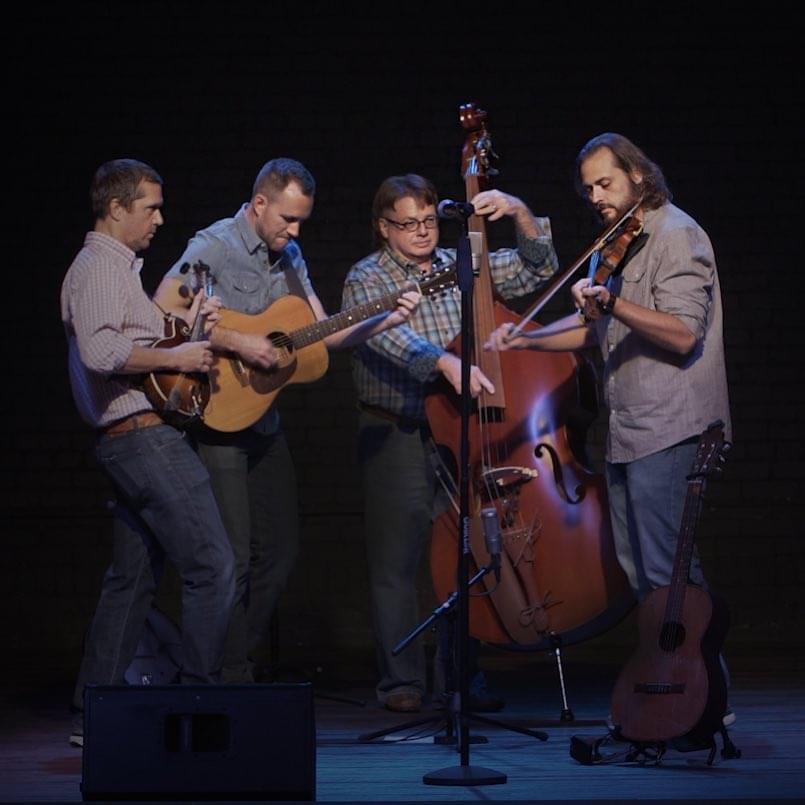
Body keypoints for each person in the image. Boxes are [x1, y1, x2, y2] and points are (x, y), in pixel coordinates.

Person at [154, 158, 418, 683]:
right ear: (259, 205)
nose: (294, 232)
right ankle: (224, 678)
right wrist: (239, 341)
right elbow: (162, 309)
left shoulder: (290, 255)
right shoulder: (215, 245)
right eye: (287, 220)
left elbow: (323, 333)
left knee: (281, 553)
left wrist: (384, 318)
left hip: (262, 426)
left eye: (301, 222)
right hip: (218, 422)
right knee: (233, 557)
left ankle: (231, 661)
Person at [342, 173, 559, 712]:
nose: (422, 232)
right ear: (383, 228)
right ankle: (402, 684)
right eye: (408, 223)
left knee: (463, 554)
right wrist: (442, 361)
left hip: (459, 429)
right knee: (397, 561)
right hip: (397, 428)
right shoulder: (366, 276)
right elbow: (388, 335)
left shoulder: (458, 264)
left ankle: (461, 677)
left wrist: (518, 209)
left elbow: (539, 268)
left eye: (428, 221)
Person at [486, 132, 731, 605]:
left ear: (637, 175)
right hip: (629, 430)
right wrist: (526, 338)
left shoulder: (677, 234)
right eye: (589, 189)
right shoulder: (611, 245)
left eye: (604, 184)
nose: (595, 197)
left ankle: (699, 676)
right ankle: (669, 671)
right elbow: (590, 328)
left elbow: (683, 334)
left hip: (671, 426)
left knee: (667, 566)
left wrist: (614, 302)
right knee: (636, 566)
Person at [61, 159, 235, 747]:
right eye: (150, 207)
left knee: (131, 581)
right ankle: (198, 703)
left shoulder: (118, 272)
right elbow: (102, 351)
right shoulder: (100, 267)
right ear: (116, 209)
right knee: (213, 566)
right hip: (142, 439)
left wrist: (188, 326)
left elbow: (136, 342)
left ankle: (95, 714)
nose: (160, 219)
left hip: (130, 440)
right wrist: (180, 357)